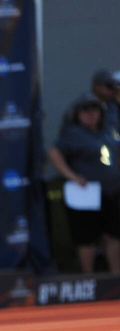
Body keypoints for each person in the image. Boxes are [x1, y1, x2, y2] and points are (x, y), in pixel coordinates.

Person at [47, 93, 120, 273]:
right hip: (86, 194)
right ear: (77, 113)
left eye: (95, 108)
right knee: (87, 239)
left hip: (112, 192)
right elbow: (54, 153)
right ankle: (89, 278)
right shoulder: (72, 133)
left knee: (115, 235)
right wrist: (71, 176)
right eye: (85, 109)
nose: (91, 113)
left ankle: (115, 278)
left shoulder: (107, 130)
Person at [88, 69, 120, 144]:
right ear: (97, 87)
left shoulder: (113, 107)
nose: (112, 91)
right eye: (109, 87)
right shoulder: (86, 106)